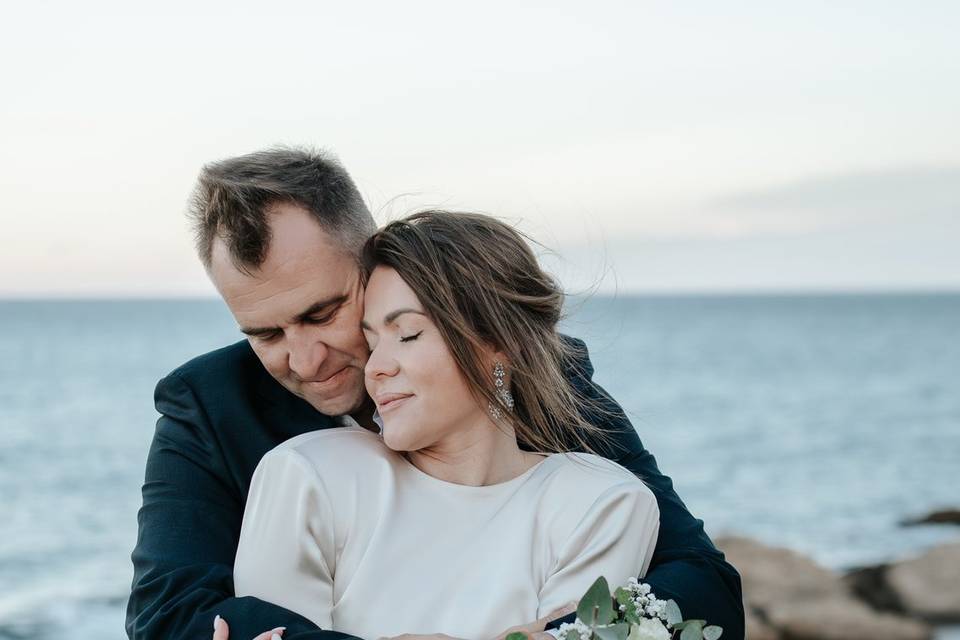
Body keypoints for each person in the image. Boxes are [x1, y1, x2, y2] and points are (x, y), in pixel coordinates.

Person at [125, 147, 744, 640]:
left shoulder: (533, 375)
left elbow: (700, 582)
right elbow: (166, 617)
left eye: (324, 313)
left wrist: (555, 639)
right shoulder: (208, 405)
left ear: (372, 263)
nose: (305, 360)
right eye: (265, 334)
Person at [229, 211, 661, 640]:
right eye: (372, 341)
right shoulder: (307, 477)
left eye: (408, 334)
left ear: (499, 342)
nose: (375, 368)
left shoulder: (601, 505)